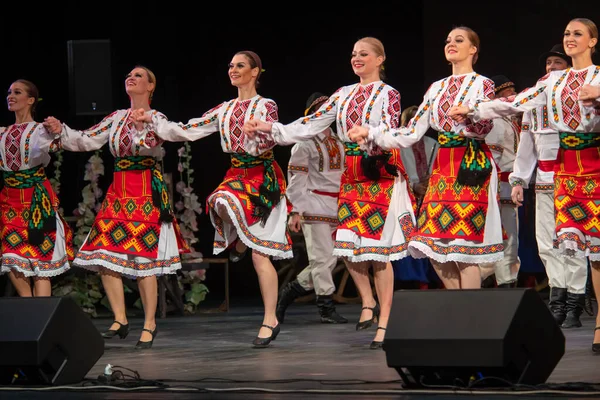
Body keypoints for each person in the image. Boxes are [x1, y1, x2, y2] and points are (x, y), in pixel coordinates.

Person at [244, 37, 416, 349]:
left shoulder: (388, 93)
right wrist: (271, 128)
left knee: (378, 254)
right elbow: (310, 124)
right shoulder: (343, 94)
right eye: (353, 54)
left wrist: (370, 133)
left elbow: (392, 130)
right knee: (348, 246)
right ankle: (367, 301)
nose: (357, 58)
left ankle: (385, 322)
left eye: (364, 54)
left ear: (380, 59)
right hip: (351, 175)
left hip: (377, 170)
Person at [451, 18, 600, 351]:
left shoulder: (597, 77)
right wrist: (475, 110)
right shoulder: (550, 86)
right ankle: (562, 302)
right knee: (556, 243)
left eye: (577, 34)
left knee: (587, 247)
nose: (570, 39)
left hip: (591, 170)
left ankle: (578, 303)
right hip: (558, 176)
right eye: (566, 34)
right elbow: (512, 106)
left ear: (593, 41)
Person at [135, 51, 292, 348]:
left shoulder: (265, 105)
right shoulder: (225, 108)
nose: (233, 70)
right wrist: (154, 121)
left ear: (255, 71)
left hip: (263, 178)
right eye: (231, 65)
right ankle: (238, 239)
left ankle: (270, 318)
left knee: (261, 256)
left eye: (240, 65)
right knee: (218, 199)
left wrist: (260, 131)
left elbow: (273, 138)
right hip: (237, 174)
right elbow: (188, 130)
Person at [44, 66, 189, 349]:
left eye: (138, 76)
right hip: (119, 192)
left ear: (150, 86)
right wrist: (63, 130)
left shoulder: (155, 117)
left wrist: (141, 125)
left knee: (144, 261)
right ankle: (121, 318)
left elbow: (156, 141)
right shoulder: (116, 118)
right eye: (128, 76)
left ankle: (149, 323)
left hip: (145, 190)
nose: (130, 78)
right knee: (103, 254)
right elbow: (87, 139)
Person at [349, 26, 503, 289]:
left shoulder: (482, 84)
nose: (450, 44)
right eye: (447, 40)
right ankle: (459, 309)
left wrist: (470, 115)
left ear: (473, 49)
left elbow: (486, 127)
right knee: (430, 245)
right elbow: (410, 132)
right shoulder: (437, 88)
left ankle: (471, 318)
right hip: (443, 168)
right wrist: (373, 134)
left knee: (464, 249)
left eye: (459, 40)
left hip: (471, 164)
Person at [508, 44, 588, 326]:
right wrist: (519, 180)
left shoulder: (579, 94)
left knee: (573, 242)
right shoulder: (536, 98)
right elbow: (527, 142)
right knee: (546, 243)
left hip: (575, 179)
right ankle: (558, 300)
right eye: (548, 63)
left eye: (557, 62)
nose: (551, 67)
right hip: (543, 180)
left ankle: (576, 302)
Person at [276, 92, 348, 324]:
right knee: (321, 259)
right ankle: (325, 307)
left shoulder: (339, 140)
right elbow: (296, 180)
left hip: (338, 204)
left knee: (330, 260)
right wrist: (295, 210)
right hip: (313, 203)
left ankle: (292, 289)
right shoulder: (304, 144)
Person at [0, 79, 73, 296]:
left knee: (42, 260)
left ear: (30, 100)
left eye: (17, 92)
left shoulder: (41, 130)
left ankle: (40, 314)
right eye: (9, 92)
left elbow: (63, 142)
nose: (10, 96)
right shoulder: (2, 132)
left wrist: (58, 131)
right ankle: (28, 304)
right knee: (11, 255)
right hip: (9, 201)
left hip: (36, 201)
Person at [485, 75, 521, 287]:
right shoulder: (497, 122)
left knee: (510, 234)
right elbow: (493, 159)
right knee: (505, 234)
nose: (513, 96)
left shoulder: (510, 121)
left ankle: (507, 278)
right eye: (508, 93)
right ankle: (504, 279)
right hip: (500, 185)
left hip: (509, 185)